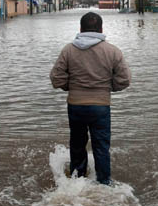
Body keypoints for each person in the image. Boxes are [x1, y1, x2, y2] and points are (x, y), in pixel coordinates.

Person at [50, 12, 131, 185]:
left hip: (76, 105)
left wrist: (70, 87)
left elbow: (56, 78)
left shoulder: (68, 50)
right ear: (101, 29)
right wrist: (107, 89)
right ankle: (104, 183)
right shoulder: (112, 51)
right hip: (101, 106)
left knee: (77, 145)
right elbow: (124, 80)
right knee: (101, 147)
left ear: (80, 28)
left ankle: (76, 182)